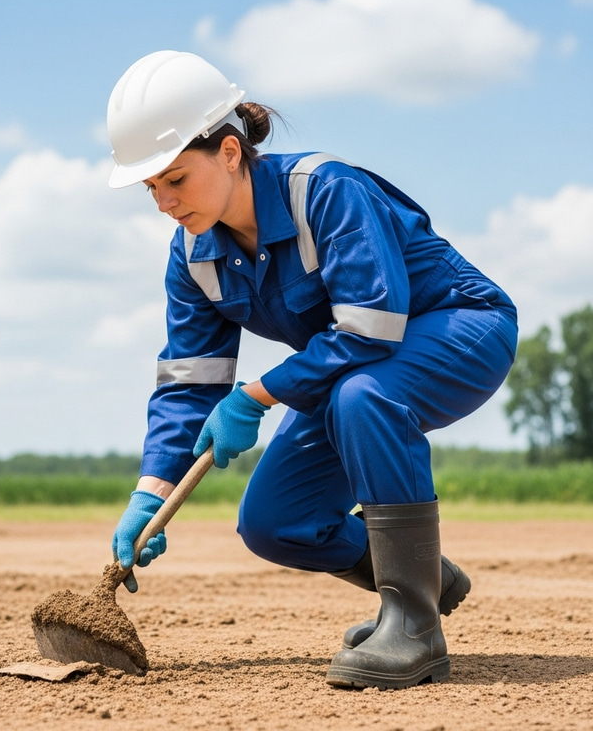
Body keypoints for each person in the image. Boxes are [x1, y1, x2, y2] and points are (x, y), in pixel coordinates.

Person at [106, 50, 518, 690]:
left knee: (361, 395)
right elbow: (190, 379)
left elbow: (371, 323)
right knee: (275, 522)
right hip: (353, 367)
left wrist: (259, 395)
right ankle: (422, 577)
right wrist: (149, 492)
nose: (163, 201)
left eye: (176, 179)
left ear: (231, 153)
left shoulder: (325, 192)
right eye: (150, 187)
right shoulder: (193, 257)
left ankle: (413, 623)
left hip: (461, 327)